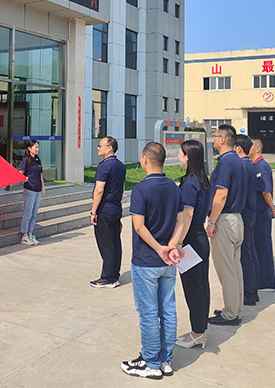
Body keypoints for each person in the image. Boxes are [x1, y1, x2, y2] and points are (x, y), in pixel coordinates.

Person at [121, 142, 185, 379]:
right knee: (168, 310)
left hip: (147, 260)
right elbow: (181, 221)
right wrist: (172, 246)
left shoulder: (140, 189)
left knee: (148, 312)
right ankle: (165, 359)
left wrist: (159, 248)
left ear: (144, 159)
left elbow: (139, 226)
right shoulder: (173, 187)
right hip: (167, 263)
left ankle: (150, 361)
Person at [206, 124, 247, 326]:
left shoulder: (225, 162)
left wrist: (212, 221)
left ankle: (230, 314)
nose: (213, 139)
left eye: (215, 136)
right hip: (237, 219)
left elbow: (221, 194)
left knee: (227, 271)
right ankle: (235, 308)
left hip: (225, 220)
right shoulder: (239, 161)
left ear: (222, 139)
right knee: (235, 269)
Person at [174, 140, 211, 350]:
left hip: (191, 240)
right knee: (201, 286)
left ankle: (198, 333)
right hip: (200, 237)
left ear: (188, 157)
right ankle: (200, 329)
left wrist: (179, 242)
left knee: (194, 288)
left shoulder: (190, 184)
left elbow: (187, 216)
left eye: (180, 154)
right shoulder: (202, 180)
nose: (178, 157)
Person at [89, 136, 126, 288]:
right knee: (115, 242)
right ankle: (114, 275)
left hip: (104, 210)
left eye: (100, 145)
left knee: (106, 244)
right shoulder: (120, 165)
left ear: (110, 148)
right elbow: (122, 189)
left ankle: (108, 278)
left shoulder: (104, 166)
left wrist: (93, 212)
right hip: (115, 208)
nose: (98, 148)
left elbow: (99, 190)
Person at [249, 138, 275, 292]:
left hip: (262, 213)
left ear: (257, 149)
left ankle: (267, 282)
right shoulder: (253, 165)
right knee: (256, 247)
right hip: (256, 213)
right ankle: (259, 278)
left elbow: (266, 192)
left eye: (250, 146)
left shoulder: (261, 166)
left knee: (263, 247)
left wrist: (272, 207)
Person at [234, 134, 259, 306]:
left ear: (238, 148)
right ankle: (252, 290)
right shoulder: (249, 164)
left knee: (246, 255)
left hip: (245, 214)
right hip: (250, 213)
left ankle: (249, 292)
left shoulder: (242, 166)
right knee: (250, 253)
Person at [19, 139, 44, 246]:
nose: (37, 149)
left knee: (34, 213)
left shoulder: (37, 159)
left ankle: (30, 234)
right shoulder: (26, 160)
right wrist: (24, 178)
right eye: (35, 147)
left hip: (38, 189)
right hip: (30, 189)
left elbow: (40, 174)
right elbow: (21, 172)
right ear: (29, 148)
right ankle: (24, 235)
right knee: (28, 213)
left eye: (38, 147)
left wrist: (43, 187)